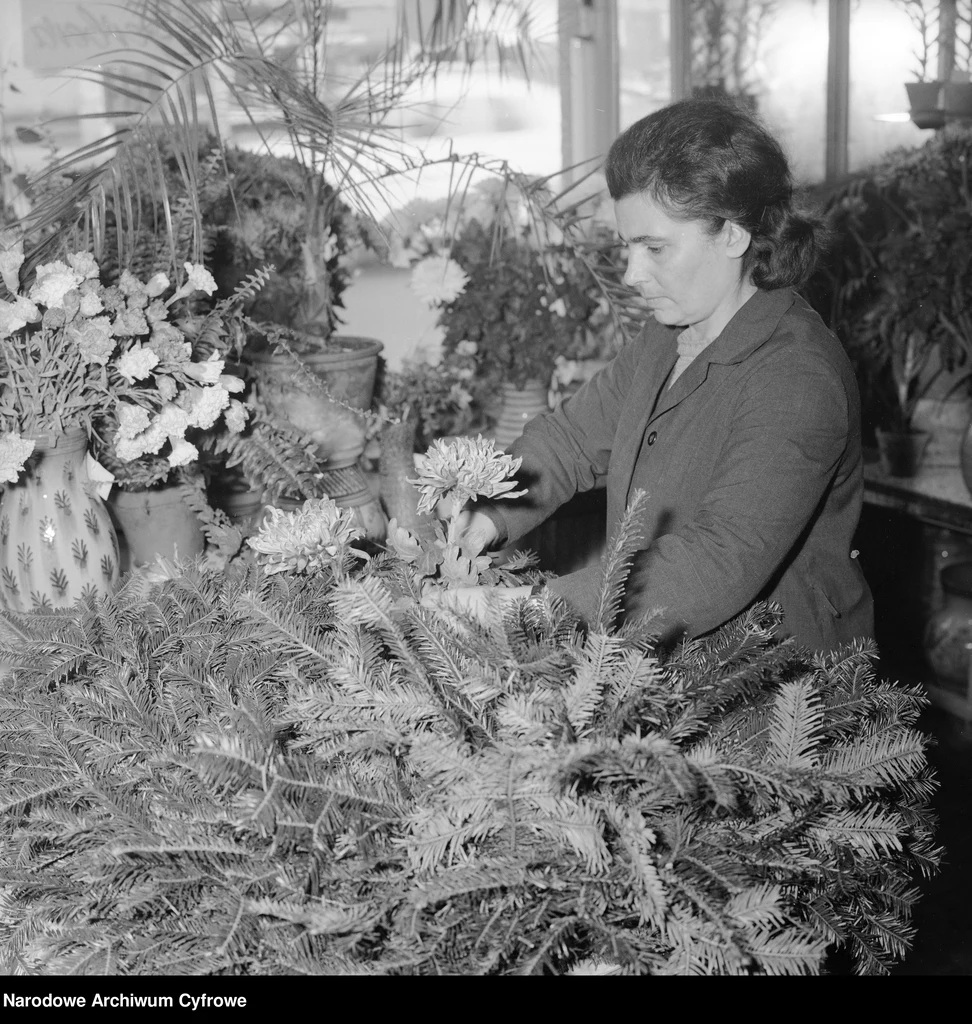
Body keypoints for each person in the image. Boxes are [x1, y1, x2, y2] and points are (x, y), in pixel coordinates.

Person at [440, 98, 874, 653]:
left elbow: (718, 561)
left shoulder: (797, 378)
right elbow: (572, 440)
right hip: (661, 651)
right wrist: (489, 512)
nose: (631, 273)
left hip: (772, 690)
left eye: (655, 248)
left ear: (733, 235)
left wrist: (532, 611)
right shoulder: (667, 334)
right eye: (627, 246)